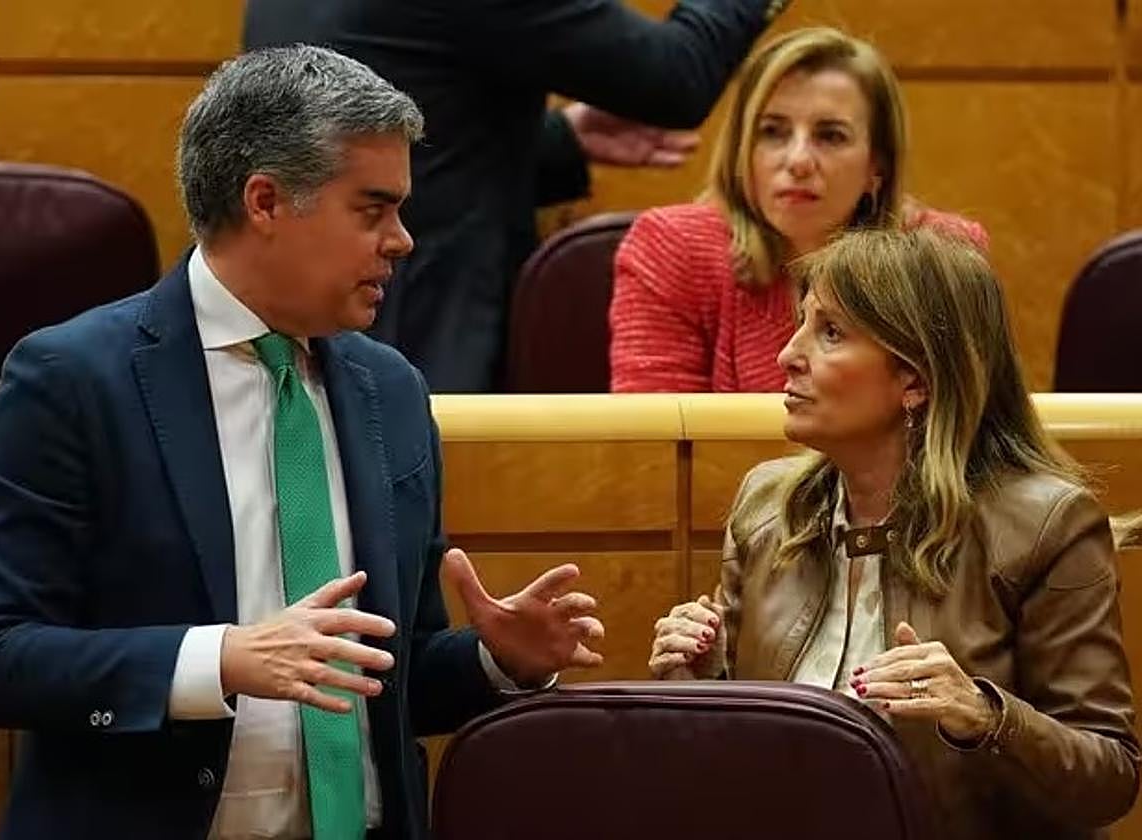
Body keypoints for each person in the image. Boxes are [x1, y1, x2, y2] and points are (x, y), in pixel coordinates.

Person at [0, 46, 604, 840]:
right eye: (372, 209)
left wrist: (499, 660)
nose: (401, 240)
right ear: (265, 201)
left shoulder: (390, 391)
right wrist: (221, 659)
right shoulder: (73, 381)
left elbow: (385, 680)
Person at [648, 227, 1140, 839]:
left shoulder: (1044, 525)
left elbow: (1110, 777)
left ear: (916, 380)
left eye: (830, 332)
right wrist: (700, 686)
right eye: (802, 323)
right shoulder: (768, 508)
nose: (787, 355)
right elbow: (746, 768)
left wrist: (986, 716)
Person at [244, 0, 795, 393]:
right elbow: (677, 74)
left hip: (290, 307)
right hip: (414, 320)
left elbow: (372, 135)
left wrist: (563, 142)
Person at [609, 26, 989, 393]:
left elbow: (965, 432)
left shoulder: (940, 255)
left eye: (830, 136)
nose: (798, 161)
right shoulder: (674, 250)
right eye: (773, 131)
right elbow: (656, 449)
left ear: (878, 164)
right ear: (743, 150)